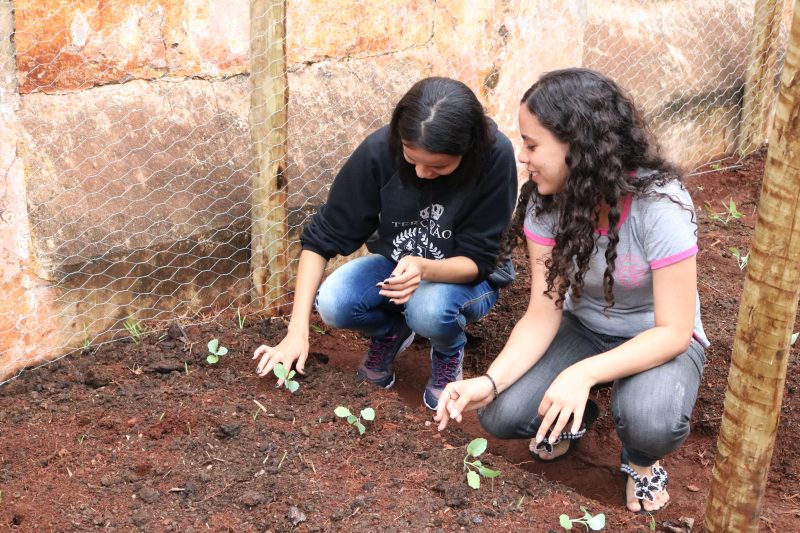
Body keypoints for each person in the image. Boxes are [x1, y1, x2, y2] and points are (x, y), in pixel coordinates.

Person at [434, 68, 709, 514]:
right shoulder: (546, 202)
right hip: (584, 328)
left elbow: (674, 332)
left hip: (655, 335)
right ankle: (575, 417)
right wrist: (489, 381)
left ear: (577, 146)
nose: (522, 157)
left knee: (649, 422)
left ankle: (641, 460)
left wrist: (581, 374)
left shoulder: (659, 204)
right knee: (501, 414)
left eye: (532, 144)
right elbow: (543, 313)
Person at [253, 77, 517, 410]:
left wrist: (423, 268)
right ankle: (391, 332)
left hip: (470, 277)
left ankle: (448, 352)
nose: (421, 173)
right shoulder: (379, 151)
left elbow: (479, 260)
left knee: (428, 309)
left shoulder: (495, 156)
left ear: (469, 149)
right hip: (399, 264)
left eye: (438, 166)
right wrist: (296, 331)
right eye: (411, 158)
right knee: (334, 302)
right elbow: (320, 239)